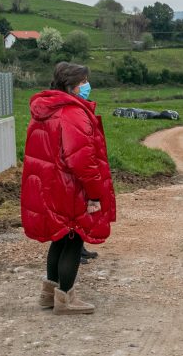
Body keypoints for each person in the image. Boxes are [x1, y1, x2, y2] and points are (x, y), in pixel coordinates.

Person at [20, 62, 116, 315]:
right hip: (70, 188)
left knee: (60, 238)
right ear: (73, 86)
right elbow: (81, 160)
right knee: (74, 238)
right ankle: (66, 299)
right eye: (84, 81)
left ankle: (48, 295)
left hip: (50, 185)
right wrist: (94, 194)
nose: (87, 86)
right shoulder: (72, 112)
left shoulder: (47, 110)